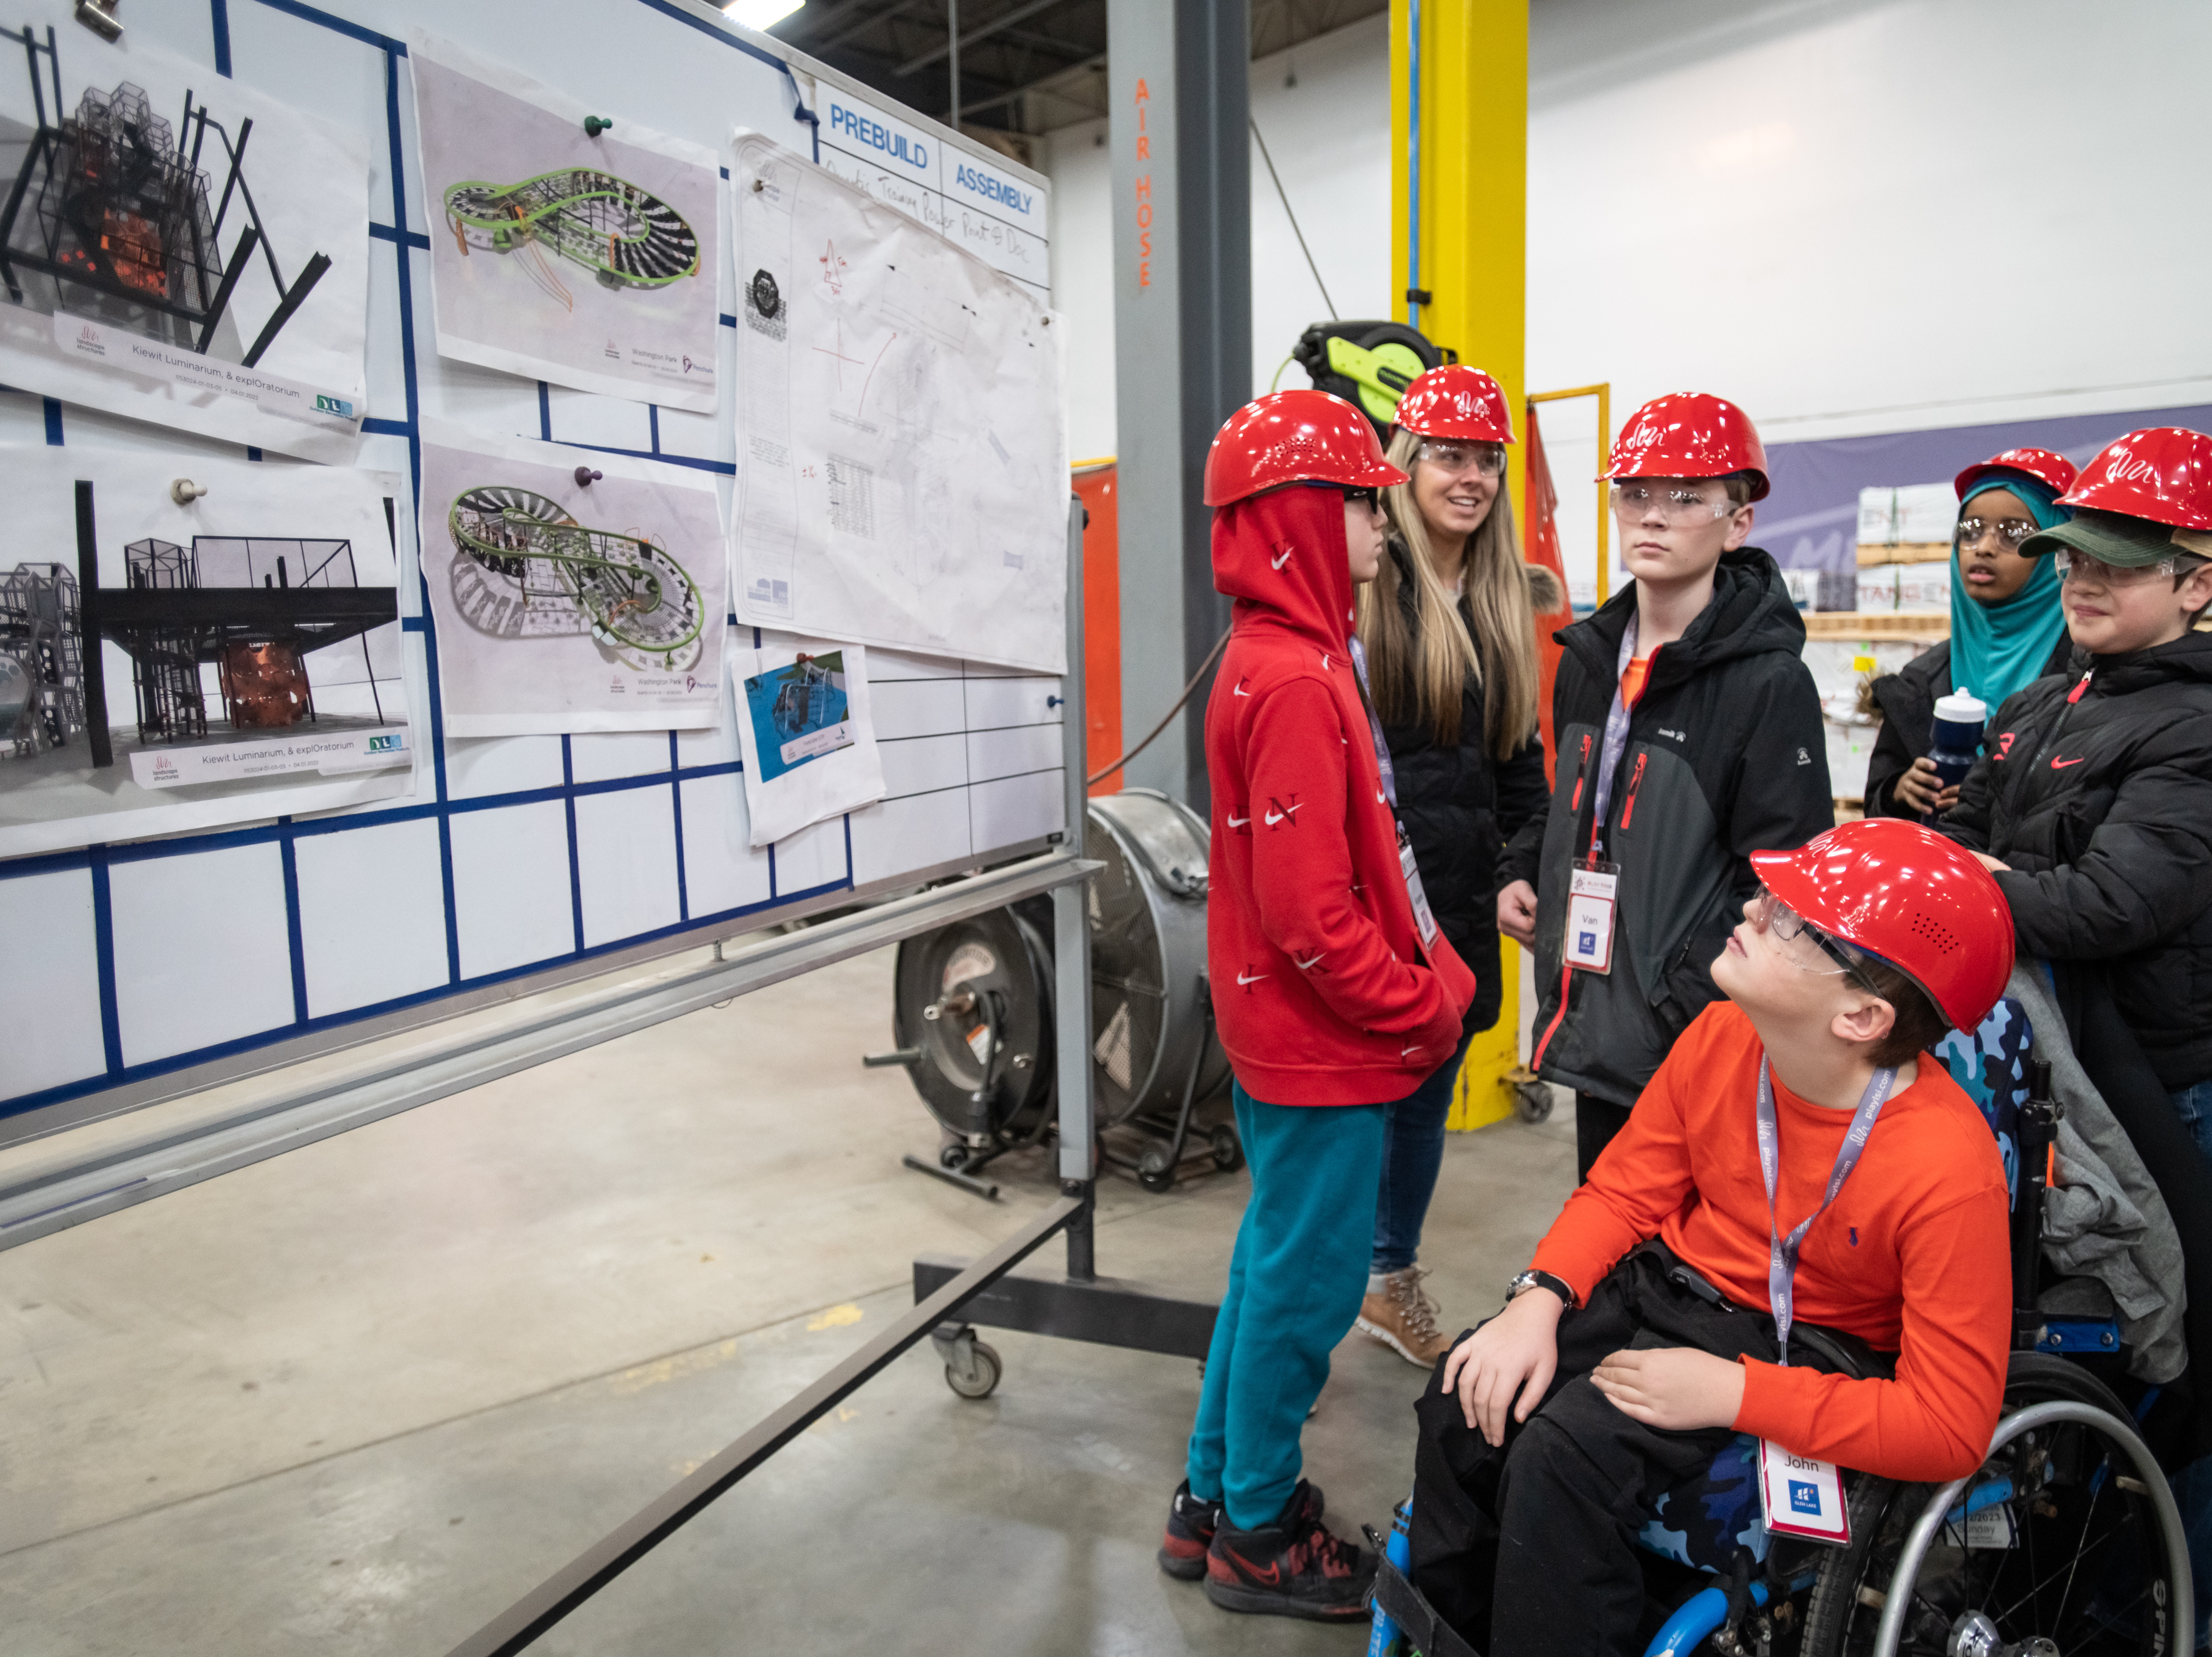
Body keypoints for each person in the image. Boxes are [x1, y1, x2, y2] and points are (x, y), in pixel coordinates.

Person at [1405, 819, 2016, 1657]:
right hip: (1673, 1286)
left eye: (1792, 922)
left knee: (1565, 1457)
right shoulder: (1725, 1035)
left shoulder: (1947, 1167)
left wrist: (1734, 1394)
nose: (1751, 910)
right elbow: (1623, 1192)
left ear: (1863, 1014)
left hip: (1811, 1345)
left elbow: (1950, 1425)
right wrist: (1537, 1297)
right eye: (1771, 895)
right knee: (1462, 1398)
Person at [1157, 389, 1475, 1622]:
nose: (1382, 521)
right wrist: (1415, 1006)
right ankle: (1259, 1528)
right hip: (1321, 1046)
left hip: (1285, 1035)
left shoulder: (1286, 657)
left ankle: (1212, 1494)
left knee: (1266, 1266)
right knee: (1305, 1286)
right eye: (1359, 500)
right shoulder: (1291, 679)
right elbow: (1312, 914)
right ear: (1297, 516)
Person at [1495, 392, 1833, 1181]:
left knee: (1683, 1255)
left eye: (1685, 499)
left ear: (1737, 522)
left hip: (1691, 1033)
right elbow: (1572, 802)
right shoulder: (1585, 661)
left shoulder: (1769, 685)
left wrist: (1674, 1000)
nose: (1653, 516)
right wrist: (1522, 866)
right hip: (1593, 1011)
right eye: (1636, 494)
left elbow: (1782, 879)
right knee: (1600, 1230)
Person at [1354, 364, 1556, 1369]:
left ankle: (1390, 1280)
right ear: (1406, 461)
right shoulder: (1367, 583)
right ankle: (1300, 1317)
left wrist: (1523, 864)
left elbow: (1521, 768)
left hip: (1459, 912)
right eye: (1448, 454)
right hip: (1374, 911)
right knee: (1343, 1131)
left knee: (1425, 1104)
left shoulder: (1497, 598)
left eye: (1485, 459)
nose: (1468, 477)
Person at [1942, 426, 2212, 1151]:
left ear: (2198, 583)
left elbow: (2111, 905)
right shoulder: (2037, 705)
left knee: (2165, 1261)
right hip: (2039, 1042)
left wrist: (1979, 886)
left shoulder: (2197, 724)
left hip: (2154, 1075)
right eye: (2073, 557)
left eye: (2118, 567)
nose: (2083, 582)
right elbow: (1966, 832)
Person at [1864, 448, 2078, 820]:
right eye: (1970, 530)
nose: (1984, 547)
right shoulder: (1920, 680)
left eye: (2014, 533)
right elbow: (1878, 803)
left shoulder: (2090, 677)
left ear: (2056, 550)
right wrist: (1900, 792)